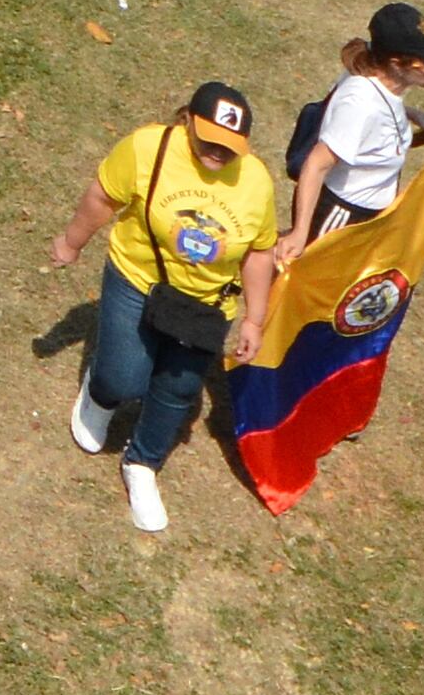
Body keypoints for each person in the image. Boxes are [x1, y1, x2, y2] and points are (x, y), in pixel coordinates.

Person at [49, 81, 282, 534]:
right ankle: (101, 394)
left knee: (179, 389)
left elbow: (259, 251)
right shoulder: (147, 148)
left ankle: (143, 463)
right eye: (209, 140)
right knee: (124, 378)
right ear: (187, 122)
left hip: (205, 303)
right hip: (138, 279)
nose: (218, 153)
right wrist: (71, 243)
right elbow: (101, 197)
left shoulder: (255, 180)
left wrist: (254, 318)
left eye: (229, 147)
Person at [286, 3, 424, 243]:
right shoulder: (360, 104)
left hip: (369, 218)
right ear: (397, 62)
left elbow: (376, 143)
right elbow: (316, 165)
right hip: (341, 218)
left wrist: (415, 115)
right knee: (301, 266)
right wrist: (299, 234)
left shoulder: (382, 89)